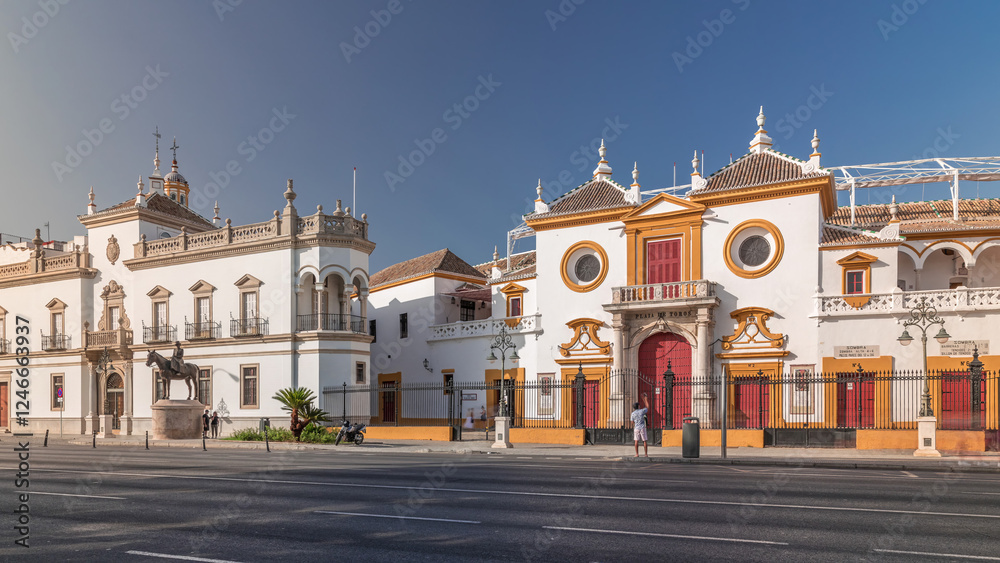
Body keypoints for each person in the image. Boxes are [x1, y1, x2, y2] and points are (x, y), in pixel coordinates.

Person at [630, 393, 650, 458]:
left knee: (636, 441)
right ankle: (646, 454)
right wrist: (645, 400)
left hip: (636, 428)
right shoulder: (642, 411)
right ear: (638, 406)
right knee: (644, 441)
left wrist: (635, 423)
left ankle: (637, 454)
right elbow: (647, 407)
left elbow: (632, 422)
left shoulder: (633, 414)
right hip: (642, 427)